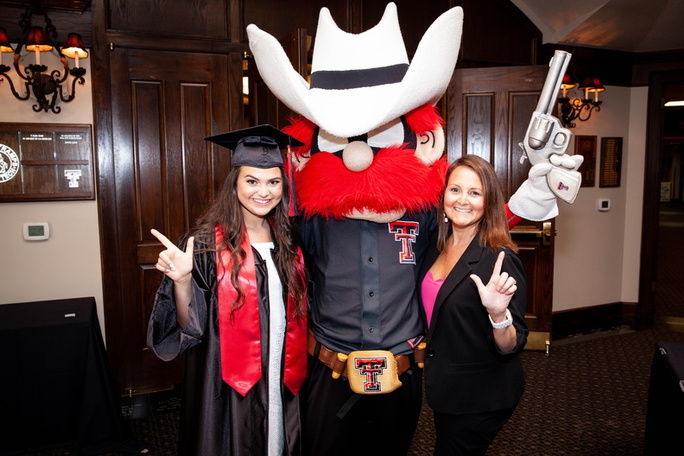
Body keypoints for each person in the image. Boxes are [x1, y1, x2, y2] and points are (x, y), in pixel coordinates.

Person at [146, 125, 309, 456]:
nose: (263, 191)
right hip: (228, 389)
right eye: (252, 181)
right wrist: (181, 282)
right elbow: (189, 327)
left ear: (283, 185)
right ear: (234, 185)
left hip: (282, 376)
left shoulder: (290, 243)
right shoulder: (206, 246)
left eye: (273, 181)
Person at [419, 155, 529, 455]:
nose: (462, 200)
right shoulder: (436, 246)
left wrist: (498, 315)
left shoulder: (499, 258)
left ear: (488, 201)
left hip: (482, 395)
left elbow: (512, 345)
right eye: (455, 190)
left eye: (475, 192)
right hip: (446, 385)